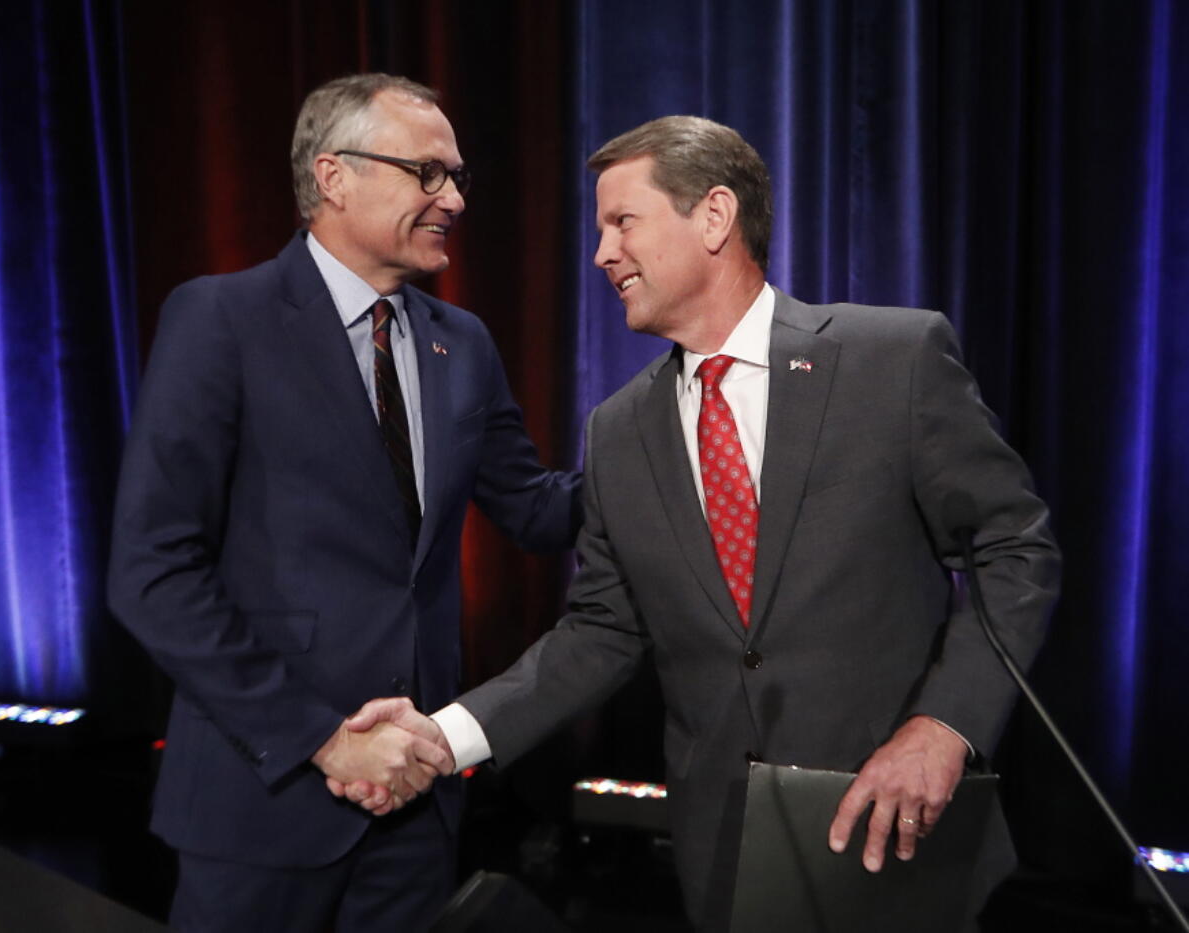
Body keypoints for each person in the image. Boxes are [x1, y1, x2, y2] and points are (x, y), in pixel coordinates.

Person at [339, 114, 1060, 930]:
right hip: (726, 851)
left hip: (899, 830)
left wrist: (945, 726)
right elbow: (602, 632)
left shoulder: (891, 359)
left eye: (623, 222)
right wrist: (444, 737)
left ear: (714, 216)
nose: (603, 253)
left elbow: (1017, 550)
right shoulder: (618, 431)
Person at [106, 73, 581, 933]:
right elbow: (151, 573)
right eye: (427, 173)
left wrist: (681, 439)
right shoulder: (223, 318)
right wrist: (324, 736)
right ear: (333, 176)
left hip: (415, 806)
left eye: (458, 178)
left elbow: (538, 510)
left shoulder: (460, 342)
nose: (453, 200)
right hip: (265, 795)